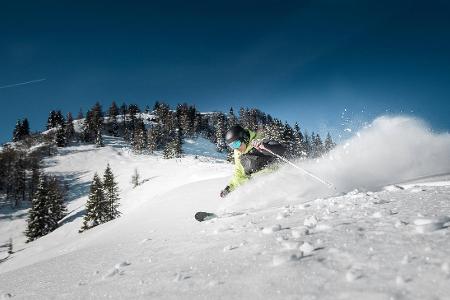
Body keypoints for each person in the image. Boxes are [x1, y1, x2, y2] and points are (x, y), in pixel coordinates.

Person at [220, 125, 287, 198]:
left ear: (244, 138)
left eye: (236, 144)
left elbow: (282, 150)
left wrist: (265, 147)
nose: (236, 148)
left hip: (278, 179)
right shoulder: (238, 153)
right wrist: (229, 188)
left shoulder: (259, 140)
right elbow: (239, 174)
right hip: (261, 187)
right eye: (232, 146)